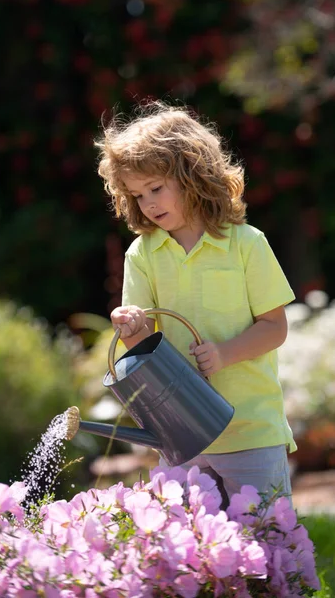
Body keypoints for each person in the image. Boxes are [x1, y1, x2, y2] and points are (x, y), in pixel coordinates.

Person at [95, 101, 296, 506]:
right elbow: (143, 344)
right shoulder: (143, 254)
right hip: (181, 434)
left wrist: (224, 354)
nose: (148, 203)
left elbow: (275, 327)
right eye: (137, 194)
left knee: (270, 543)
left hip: (250, 430)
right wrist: (131, 326)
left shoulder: (246, 244)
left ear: (193, 175)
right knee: (192, 554)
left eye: (156, 188)